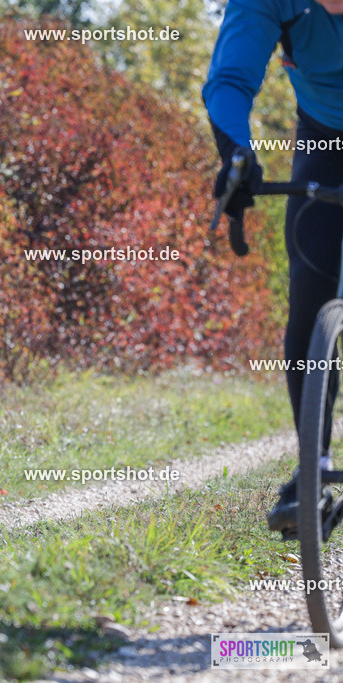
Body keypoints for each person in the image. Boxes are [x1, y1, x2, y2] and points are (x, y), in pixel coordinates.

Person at [203, 0, 343, 534]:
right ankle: (314, 470)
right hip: (325, 136)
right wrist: (238, 151)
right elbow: (231, 80)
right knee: (310, 289)